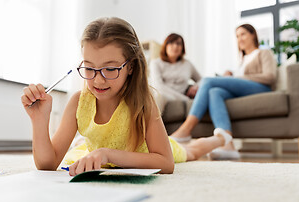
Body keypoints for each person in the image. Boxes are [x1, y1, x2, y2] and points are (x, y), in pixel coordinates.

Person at [21, 17, 232, 176]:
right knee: (82, 150)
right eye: (89, 68)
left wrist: (109, 154)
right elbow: (47, 165)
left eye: (110, 69)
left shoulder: (142, 102)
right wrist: (39, 120)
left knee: (192, 151)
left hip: (148, 152)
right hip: (105, 153)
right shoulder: (78, 102)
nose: (98, 80)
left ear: (130, 66)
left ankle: (220, 137)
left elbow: (166, 163)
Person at [170, 24, 277, 160]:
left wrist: (236, 78)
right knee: (214, 92)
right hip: (245, 88)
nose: (240, 39)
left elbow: (270, 76)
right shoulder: (243, 59)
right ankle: (228, 144)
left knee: (208, 81)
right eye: (237, 36)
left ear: (253, 35)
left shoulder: (263, 52)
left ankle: (186, 129)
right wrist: (231, 74)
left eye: (243, 34)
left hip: (261, 87)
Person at [150, 33, 201, 113]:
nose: (175, 46)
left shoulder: (187, 64)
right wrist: (185, 99)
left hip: (177, 99)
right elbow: (158, 87)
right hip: (162, 96)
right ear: (165, 46)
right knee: (159, 96)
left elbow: (202, 80)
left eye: (178, 44)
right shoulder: (155, 63)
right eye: (171, 43)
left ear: (182, 48)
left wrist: (195, 86)